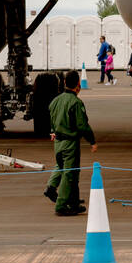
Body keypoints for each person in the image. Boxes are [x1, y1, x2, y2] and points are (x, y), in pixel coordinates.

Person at [43, 71, 97, 216]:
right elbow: (82, 125)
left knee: (64, 168)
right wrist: (92, 141)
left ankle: (73, 203)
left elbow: (52, 119)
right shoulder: (75, 102)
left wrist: (53, 130)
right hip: (70, 143)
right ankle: (61, 205)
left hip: (58, 143)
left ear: (65, 83)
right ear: (78, 85)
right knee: (70, 174)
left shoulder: (55, 101)